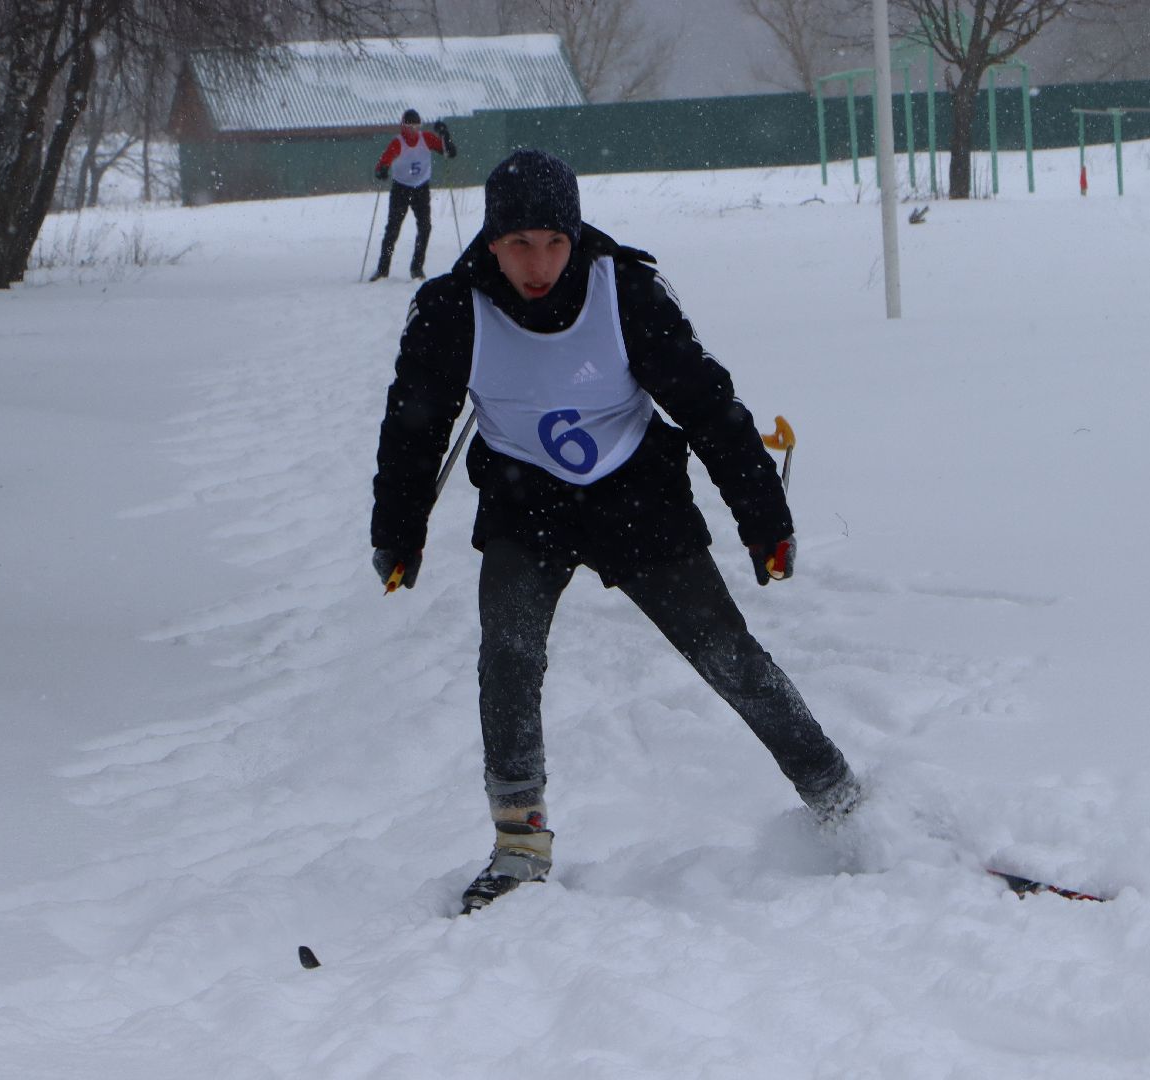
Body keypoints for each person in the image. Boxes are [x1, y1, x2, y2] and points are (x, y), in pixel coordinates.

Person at [369, 148, 862, 915]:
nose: (539, 264)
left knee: (725, 652)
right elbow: (413, 430)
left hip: (635, 494)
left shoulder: (623, 289)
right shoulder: (450, 309)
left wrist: (763, 519)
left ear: (576, 235)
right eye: (520, 245)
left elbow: (709, 406)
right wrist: (397, 533)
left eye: (555, 243)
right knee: (508, 650)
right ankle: (520, 842)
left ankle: (837, 796)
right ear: (492, 241)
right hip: (522, 497)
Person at [369, 109, 457, 282]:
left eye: (416, 127)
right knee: (392, 230)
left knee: (425, 227)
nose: (412, 131)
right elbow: (383, 163)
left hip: (421, 189)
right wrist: (383, 170)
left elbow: (449, 152)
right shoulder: (398, 142)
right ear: (403, 127)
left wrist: (444, 134)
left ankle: (417, 268)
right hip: (401, 189)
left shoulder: (426, 139)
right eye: (409, 127)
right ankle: (382, 269)